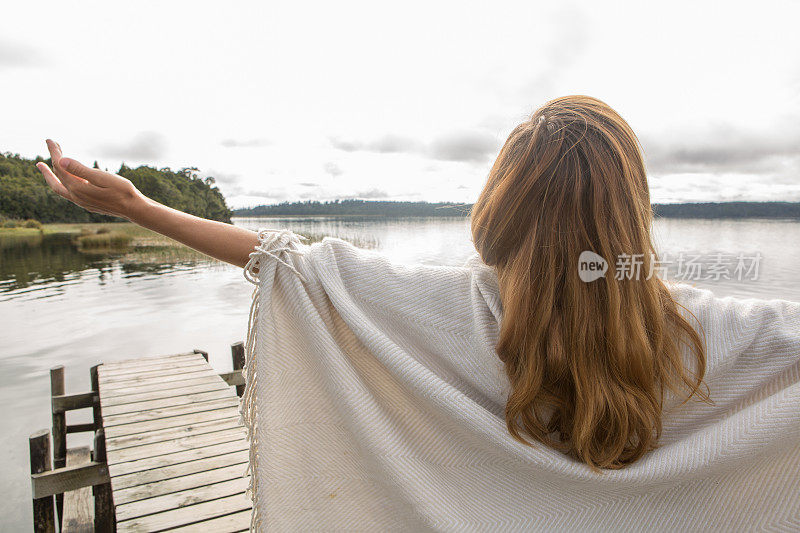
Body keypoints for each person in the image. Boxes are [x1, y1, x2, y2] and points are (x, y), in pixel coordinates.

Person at [37, 96, 800, 530]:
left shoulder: (443, 308)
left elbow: (287, 262)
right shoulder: (704, 334)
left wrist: (142, 208)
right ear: (632, 215)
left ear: (500, 207)